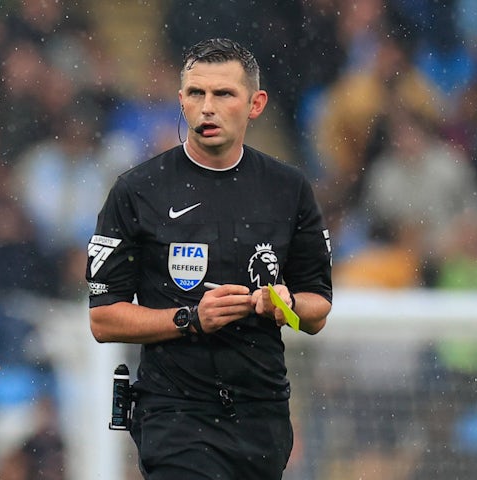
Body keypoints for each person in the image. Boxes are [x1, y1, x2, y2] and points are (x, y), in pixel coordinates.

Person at [85, 38, 333, 479]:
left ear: (255, 104)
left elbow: (317, 310)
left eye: (223, 94)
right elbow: (103, 320)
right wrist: (189, 319)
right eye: (196, 93)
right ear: (180, 100)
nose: (207, 107)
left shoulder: (289, 190)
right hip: (174, 414)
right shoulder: (137, 191)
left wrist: (287, 305)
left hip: (262, 415)